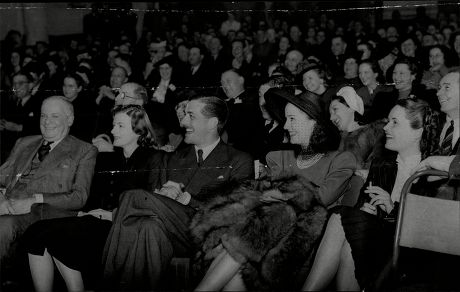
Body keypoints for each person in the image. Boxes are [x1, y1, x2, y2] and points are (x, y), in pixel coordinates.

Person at [193, 88, 356, 291]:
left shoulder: (340, 160)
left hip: (306, 241)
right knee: (241, 265)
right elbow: (259, 196)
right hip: (261, 239)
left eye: (292, 119)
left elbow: (323, 197)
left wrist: (282, 194)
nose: (286, 125)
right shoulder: (280, 158)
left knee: (273, 218)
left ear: (314, 123)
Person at [101, 95, 254, 290]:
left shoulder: (239, 159)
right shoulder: (172, 158)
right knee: (148, 226)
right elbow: (153, 204)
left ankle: (106, 283)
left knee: (132, 196)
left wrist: (187, 199)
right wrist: (164, 194)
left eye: (191, 116)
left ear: (212, 123)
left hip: (208, 234)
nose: (184, 122)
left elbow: (237, 211)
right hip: (171, 229)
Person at [303, 98, 441, 291]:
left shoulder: (430, 174)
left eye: (395, 123)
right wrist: (367, 207)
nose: (386, 128)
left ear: (418, 132)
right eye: (388, 121)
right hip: (373, 235)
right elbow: (364, 206)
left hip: (406, 250)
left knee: (341, 220)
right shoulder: (381, 166)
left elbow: (427, 232)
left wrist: (391, 209)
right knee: (345, 225)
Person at [23, 105, 161, 292]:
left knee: (56, 237)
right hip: (97, 219)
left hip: (124, 226)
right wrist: (86, 211)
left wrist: (110, 214)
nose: (112, 131)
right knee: (35, 231)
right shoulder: (110, 159)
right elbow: (96, 194)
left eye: (120, 126)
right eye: (114, 125)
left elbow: (152, 204)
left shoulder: (153, 159)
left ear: (139, 130)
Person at [0, 96, 97, 283]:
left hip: (43, 213)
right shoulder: (24, 143)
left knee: (3, 226)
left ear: (70, 120)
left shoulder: (84, 150)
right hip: (8, 203)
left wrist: (34, 200)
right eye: (43, 116)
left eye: (54, 116)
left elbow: (79, 197)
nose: (47, 122)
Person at [329, 86, 385, 205]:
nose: (331, 117)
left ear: (351, 107)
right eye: (330, 113)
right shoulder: (341, 138)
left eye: (335, 109)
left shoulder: (368, 133)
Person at [221, 69, 266, 159]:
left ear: (241, 80)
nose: (225, 86)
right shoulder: (222, 103)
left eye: (228, 81)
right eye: (222, 83)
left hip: (247, 154)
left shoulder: (253, 101)